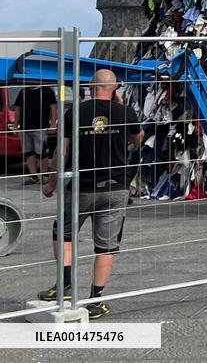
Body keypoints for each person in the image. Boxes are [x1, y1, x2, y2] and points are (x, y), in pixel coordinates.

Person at [38, 70, 141, 320]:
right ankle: (96, 299)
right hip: (116, 187)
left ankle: (65, 286)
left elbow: (62, 152)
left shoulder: (75, 112)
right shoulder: (125, 112)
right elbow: (138, 140)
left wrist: (52, 183)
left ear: (90, 87)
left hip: (82, 186)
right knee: (106, 245)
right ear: (115, 88)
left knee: (63, 232)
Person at [12, 85, 58, 184]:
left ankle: (45, 175)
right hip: (25, 127)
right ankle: (33, 176)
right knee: (28, 153)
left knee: (42, 153)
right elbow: (18, 108)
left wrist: (53, 124)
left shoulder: (46, 90)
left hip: (40, 127)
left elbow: (53, 107)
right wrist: (15, 125)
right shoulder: (23, 91)